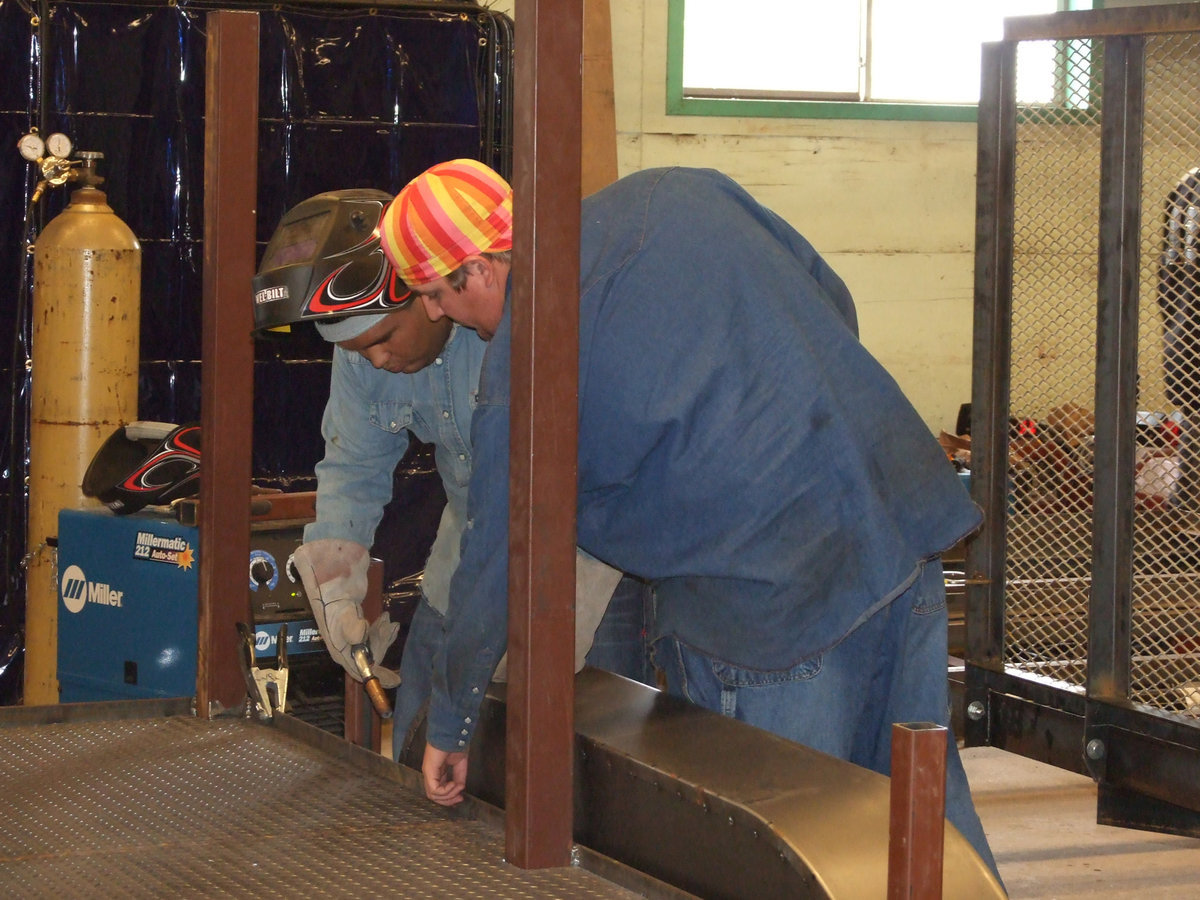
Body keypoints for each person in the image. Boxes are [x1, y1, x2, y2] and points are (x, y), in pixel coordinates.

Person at [377, 160, 1001, 877]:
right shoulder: (673, 194)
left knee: (791, 853)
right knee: (927, 829)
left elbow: (502, 550)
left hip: (769, 606)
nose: (432, 315)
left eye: (432, 294)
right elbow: (831, 296)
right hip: (897, 529)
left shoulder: (528, 353)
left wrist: (451, 723)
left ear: (479, 269)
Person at [251, 188, 653, 760]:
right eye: (361, 352)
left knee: (587, 760)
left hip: (585, 550)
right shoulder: (365, 358)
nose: (379, 362)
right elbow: (353, 464)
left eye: (384, 339)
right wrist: (336, 585)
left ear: (427, 294)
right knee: (422, 739)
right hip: (468, 548)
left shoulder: (502, 322)